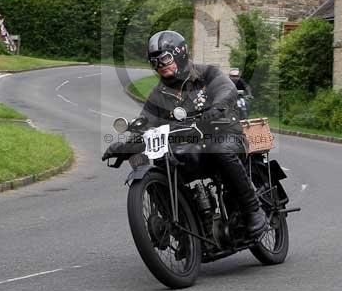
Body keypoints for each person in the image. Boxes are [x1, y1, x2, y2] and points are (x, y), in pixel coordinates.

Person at [108, 30, 267, 238]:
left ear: (180, 53)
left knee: (219, 150)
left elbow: (226, 88)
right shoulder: (159, 94)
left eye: (165, 58)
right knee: (161, 163)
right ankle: (183, 229)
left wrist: (217, 107)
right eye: (154, 62)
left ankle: (253, 209)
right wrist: (125, 146)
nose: (160, 65)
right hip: (191, 145)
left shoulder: (206, 73)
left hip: (225, 134)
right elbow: (145, 123)